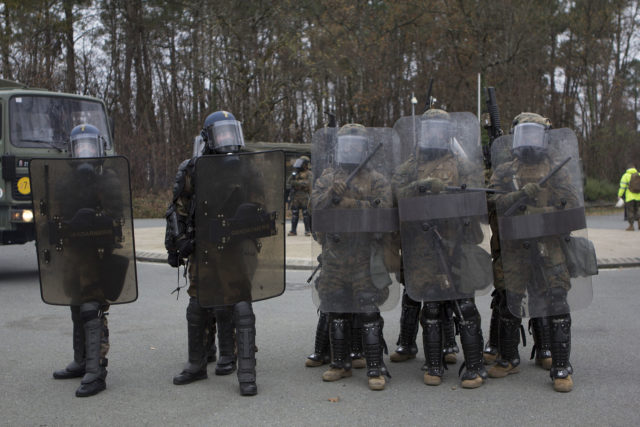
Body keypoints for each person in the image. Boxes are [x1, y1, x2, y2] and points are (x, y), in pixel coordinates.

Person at [165, 110, 280, 396]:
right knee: (198, 302)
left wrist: (247, 218)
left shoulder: (247, 166)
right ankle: (197, 364)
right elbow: (177, 209)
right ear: (208, 137)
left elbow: (261, 206)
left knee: (240, 303)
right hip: (203, 246)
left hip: (237, 245)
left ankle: (246, 371)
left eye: (232, 132)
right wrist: (178, 242)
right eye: (222, 133)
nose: (228, 139)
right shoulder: (192, 168)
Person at [487, 112, 586, 392]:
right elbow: (490, 202)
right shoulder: (506, 170)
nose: (528, 141)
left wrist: (539, 212)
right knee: (510, 301)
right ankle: (508, 358)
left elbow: (572, 206)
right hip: (515, 248)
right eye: (523, 134)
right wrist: (517, 196)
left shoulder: (558, 169)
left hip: (549, 247)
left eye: (534, 135)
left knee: (556, 302)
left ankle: (561, 367)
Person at [392, 109, 490, 389]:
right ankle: (434, 364)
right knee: (431, 307)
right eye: (429, 129)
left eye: (439, 129)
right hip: (423, 247)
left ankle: (474, 366)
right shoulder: (411, 165)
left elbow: (478, 195)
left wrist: (454, 194)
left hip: (457, 243)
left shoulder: (461, 163)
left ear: (447, 133)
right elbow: (395, 192)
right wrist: (420, 186)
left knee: (466, 306)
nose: (434, 134)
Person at [48, 124, 134, 397]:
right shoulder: (65, 182)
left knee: (91, 307)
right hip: (74, 252)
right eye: (80, 147)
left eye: (90, 146)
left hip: (98, 252)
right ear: (72, 151)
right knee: (75, 303)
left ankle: (96, 371)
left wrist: (95, 220)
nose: (85, 152)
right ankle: (81, 360)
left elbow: (116, 218)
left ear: (99, 149)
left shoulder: (107, 179)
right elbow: (56, 215)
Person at [310, 123, 397, 390]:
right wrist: (329, 195)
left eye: (356, 146)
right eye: (346, 146)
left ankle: (374, 367)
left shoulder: (378, 180)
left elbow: (383, 214)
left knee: (369, 311)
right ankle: (340, 364)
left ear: (364, 150)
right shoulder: (327, 179)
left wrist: (348, 202)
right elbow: (314, 209)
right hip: (335, 255)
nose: (351, 151)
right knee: (336, 308)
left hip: (365, 256)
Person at [287, 156, 312, 236]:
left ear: (305, 164)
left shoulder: (309, 173)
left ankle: (307, 230)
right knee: (294, 214)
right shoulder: (296, 173)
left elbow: (307, 183)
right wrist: (294, 176)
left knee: (306, 214)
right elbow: (289, 181)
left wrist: (296, 182)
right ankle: (293, 231)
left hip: (304, 196)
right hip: (296, 196)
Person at [617, 163, 640, 231]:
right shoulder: (638, 174)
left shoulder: (626, 175)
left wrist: (619, 195)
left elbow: (622, 187)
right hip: (639, 197)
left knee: (630, 211)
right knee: (637, 209)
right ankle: (639, 221)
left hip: (630, 197)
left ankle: (631, 226)